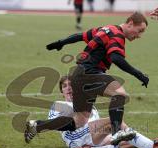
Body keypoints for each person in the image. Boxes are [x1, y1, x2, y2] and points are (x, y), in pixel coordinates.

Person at [46, 12, 149, 140]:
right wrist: (139, 75)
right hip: (90, 73)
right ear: (130, 23)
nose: (139, 35)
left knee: (79, 121)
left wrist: (61, 42)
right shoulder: (117, 34)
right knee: (120, 94)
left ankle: (37, 125)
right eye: (140, 31)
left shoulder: (106, 29)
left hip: (78, 74)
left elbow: (81, 36)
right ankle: (117, 132)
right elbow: (116, 58)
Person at [26, 76, 158, 148]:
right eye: (64, 86)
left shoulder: (91, 107)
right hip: (77, 139)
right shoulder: (59, 104)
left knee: (128, 144)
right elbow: (57, 125)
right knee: (116, 122)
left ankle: (151, 145)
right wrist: (40, 125)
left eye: (71, 85)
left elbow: (96, 125)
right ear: (61, 91)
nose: (68, 88)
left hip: (91, 137)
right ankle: (152, 146)